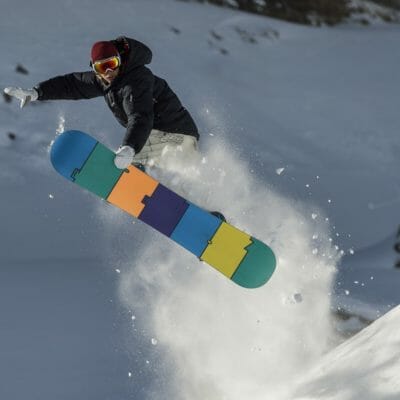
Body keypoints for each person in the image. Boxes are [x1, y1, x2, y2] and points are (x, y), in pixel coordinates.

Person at [4, 36, 199, 170]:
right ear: (95, 69)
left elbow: (140, 116)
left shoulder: (135, 81)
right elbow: (71, 84)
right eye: (102, 67)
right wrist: (37, 92)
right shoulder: (105, 82)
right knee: (165, 173)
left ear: (120, 62)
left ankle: (133, 180)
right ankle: (203, 208)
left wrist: (129, 147)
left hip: (173, 134)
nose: (108, 72)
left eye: (112, 64)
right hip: (164, 135)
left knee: (129, 165)